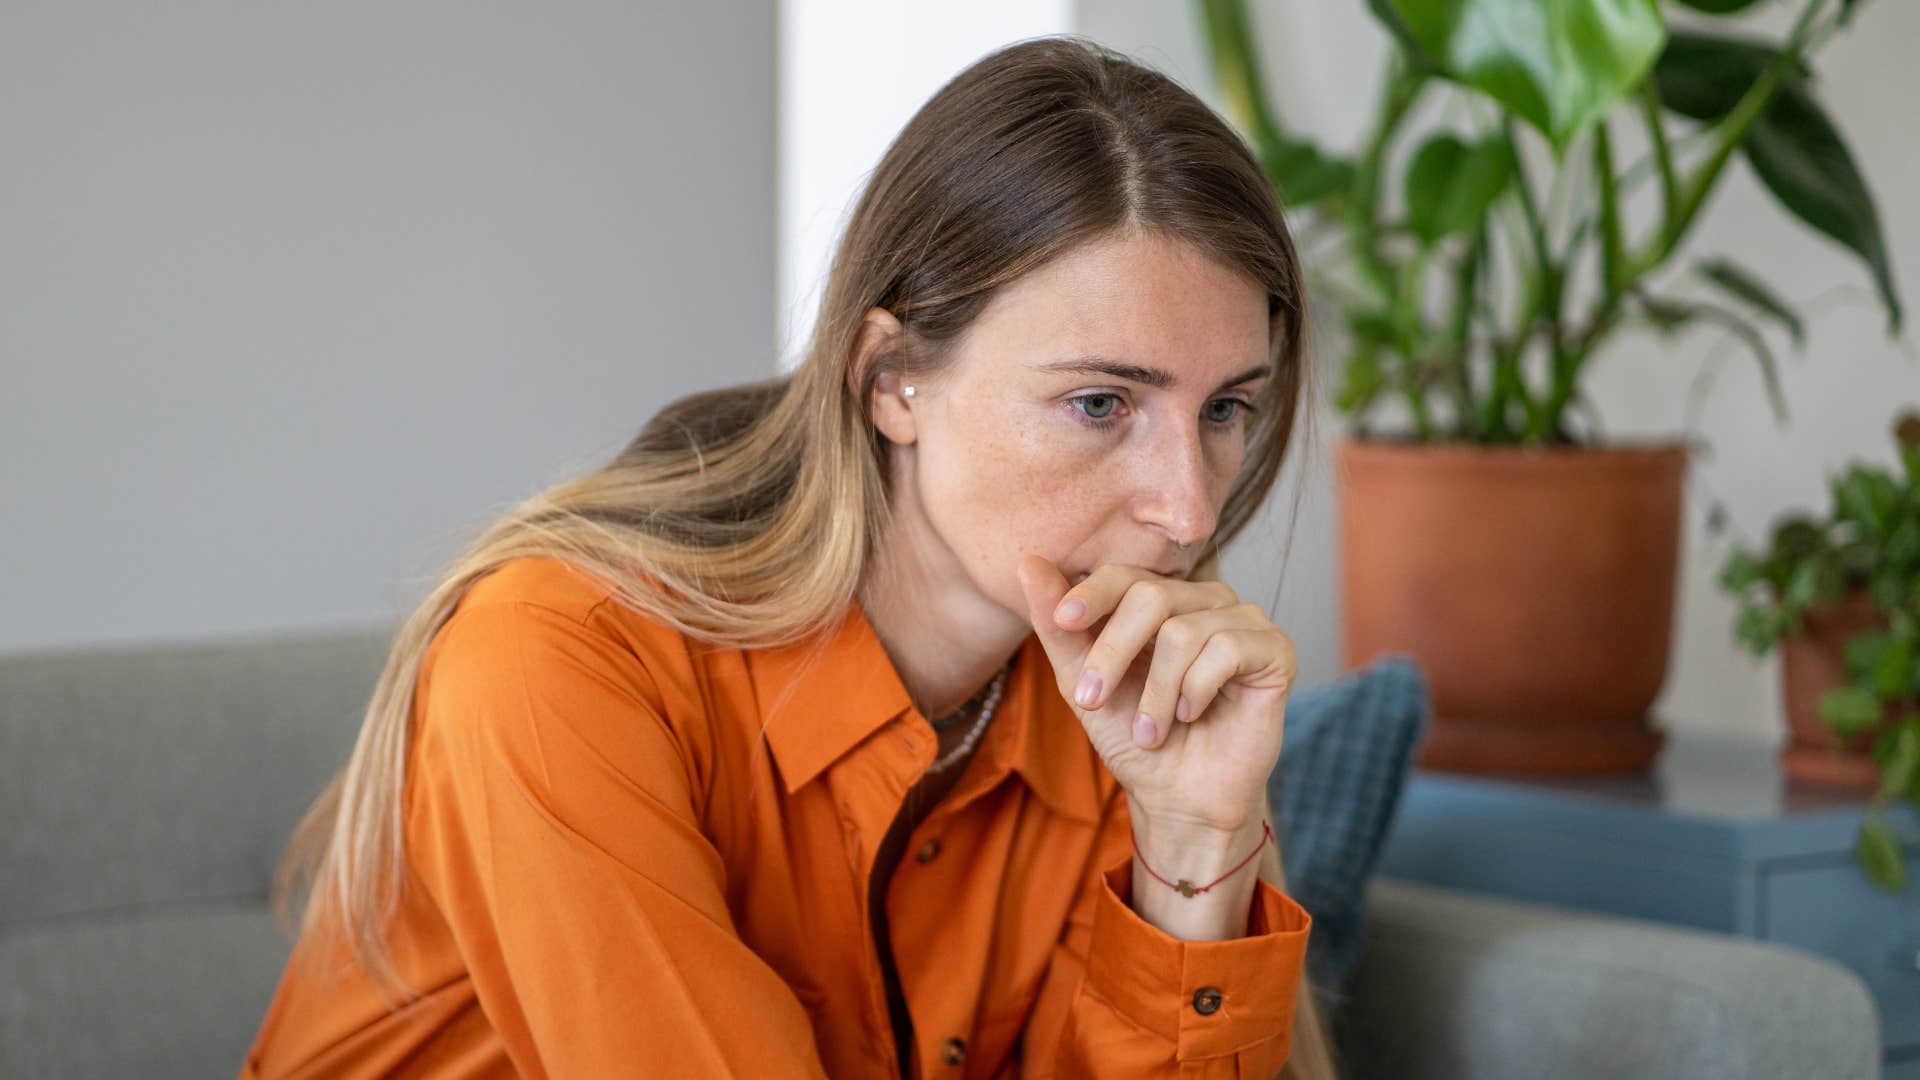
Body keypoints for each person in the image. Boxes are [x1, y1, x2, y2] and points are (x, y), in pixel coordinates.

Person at [239, 33, 1340, 1080]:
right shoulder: (555, 658)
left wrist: (1196, 842)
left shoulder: (1119, 711)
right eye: (1100, 403)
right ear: (891, 379)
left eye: (1227, 408)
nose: (1188, 510)